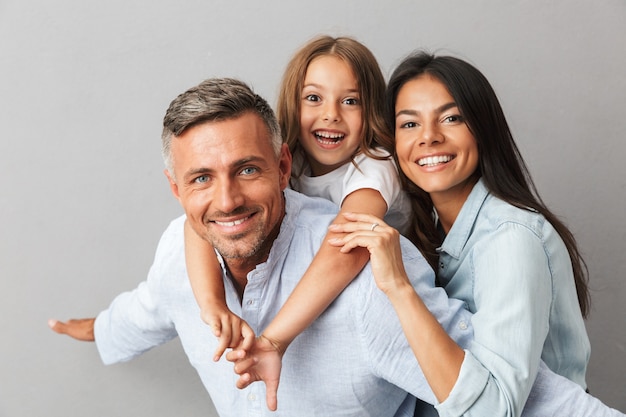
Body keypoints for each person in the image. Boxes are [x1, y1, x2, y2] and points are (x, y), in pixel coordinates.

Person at [48, 77, 622, 417]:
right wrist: (98, 328)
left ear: (283, 165)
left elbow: (518, 398)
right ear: (176, 189)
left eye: (247, 170)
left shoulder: (370, 278)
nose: (226, 199)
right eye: (201, 178)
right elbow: (146, 308)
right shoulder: (181, 252)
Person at [327, 51, 599, 415]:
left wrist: (400, 288)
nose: (429, 138)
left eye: (451, 118)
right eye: (409, 124)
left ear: (483, 128)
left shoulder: (510, 239)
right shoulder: (432, 231)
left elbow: (491, 410)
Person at [184, 35, 410, 365]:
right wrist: (213, 305)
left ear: (371, 109)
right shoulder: (289, 160)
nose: (331, 115)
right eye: (314, 98)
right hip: (313, 284)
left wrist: (275, 340)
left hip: (377, 295)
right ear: (294, 103)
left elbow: (346, 246)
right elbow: (198, 226)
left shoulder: (375, 164)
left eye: (350, 101)